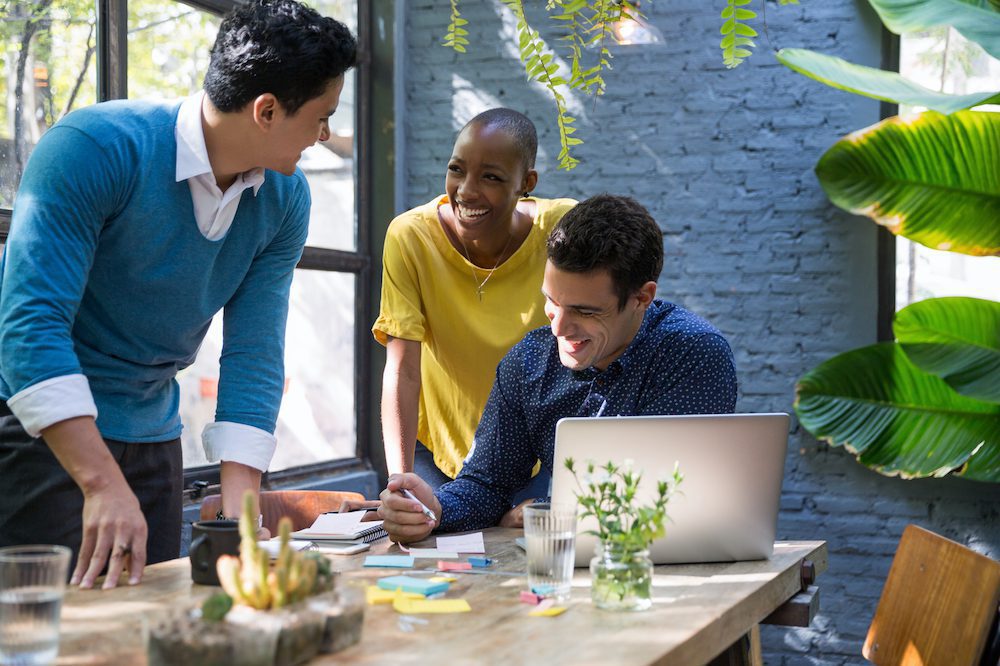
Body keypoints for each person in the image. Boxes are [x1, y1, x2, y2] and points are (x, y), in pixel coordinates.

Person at [0, 0, 356, 589]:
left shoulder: (284, 200)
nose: (325, 135)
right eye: (321, 117)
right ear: (266, 110)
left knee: (153, 616)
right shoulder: (93, 147)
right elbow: (28, 328)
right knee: (50, 630)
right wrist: (100, 483)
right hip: (40, 430)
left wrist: (243, 501)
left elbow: (255, 350)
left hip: (152, 435)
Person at [377, 194, 739, 543]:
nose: (559, 328)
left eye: (585, 311)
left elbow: (668, 498)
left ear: (641, 298)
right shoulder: (528, 362)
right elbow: (487, 484)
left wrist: (550, 511)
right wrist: (435, 509)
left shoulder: (693, 353)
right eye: (551, 301)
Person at [373, 108, 576, 498]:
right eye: (456, 169)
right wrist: (399, 483)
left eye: (492, 177)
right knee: (432, 554)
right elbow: (402, 371)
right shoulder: (411, 238)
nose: (466, 190)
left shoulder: (561, 230)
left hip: (538, 459)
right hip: (437, 457)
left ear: (526, 183)